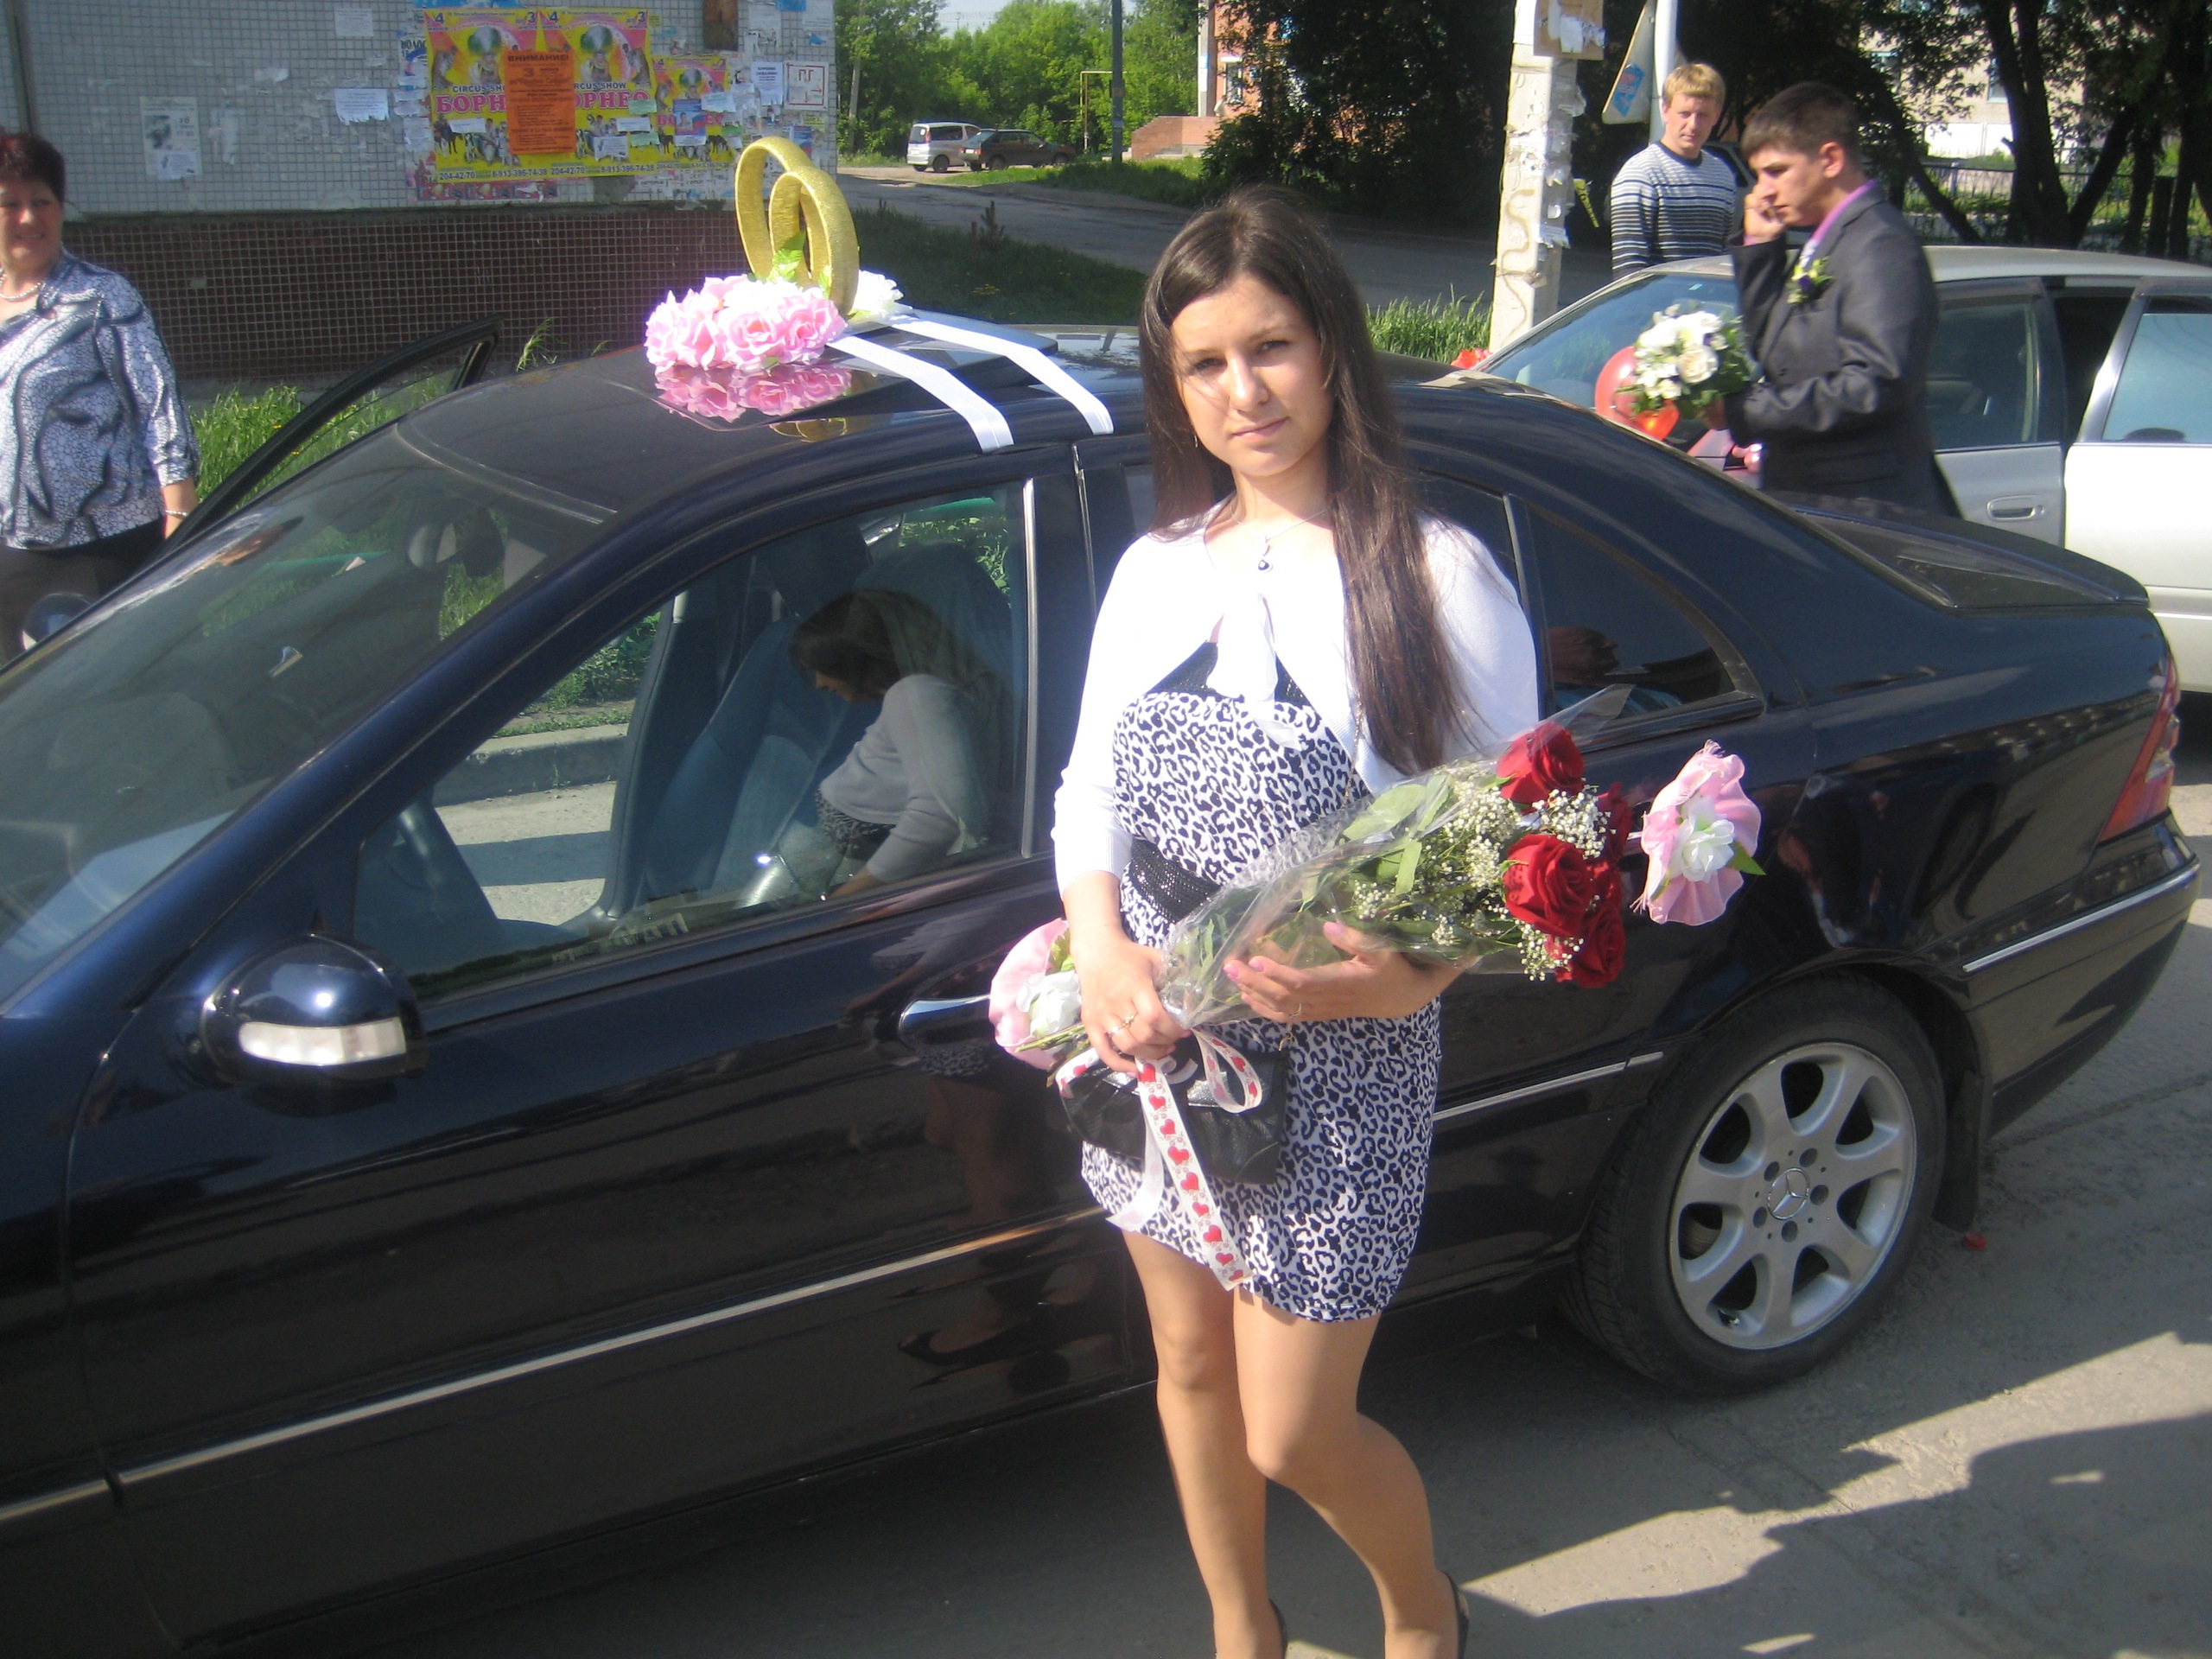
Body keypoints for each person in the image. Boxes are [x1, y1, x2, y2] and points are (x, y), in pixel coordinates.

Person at [1054, 186, 1537, 1659]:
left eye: (1269, 347)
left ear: (1331, 347)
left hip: (1347, 1069)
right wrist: (1105, 948)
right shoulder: (1155, 572)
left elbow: (1506, 848)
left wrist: (1400, 987)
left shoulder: (1435, 576)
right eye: (1204, 364)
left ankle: (1423, 1616)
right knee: (1188, 1361)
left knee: (1294, 1427)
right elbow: (1086, 799)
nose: (1242, 392)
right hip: (1162, 1058)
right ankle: (1241, 1631)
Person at [0, 132, 199, 660]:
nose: (28, 217)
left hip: (106, 550)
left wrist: (180, 524)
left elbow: (160, 406)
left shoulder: (99, 297)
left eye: (42, 201)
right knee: (29, 695)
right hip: (16, 553)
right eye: (9, 203)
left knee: (131, 685)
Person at [1724, 83, 1953, 513]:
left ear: (1830, 159)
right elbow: (1772, 353)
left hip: (1865, 508)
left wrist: (1748, 412)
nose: (1762, 192)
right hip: (1812, 499)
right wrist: (1761, 249)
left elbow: (1875, 384)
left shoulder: (1880, 243)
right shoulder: (1828, 239)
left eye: (1776, 171)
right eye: (1759, 175)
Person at [791, 587, 1002, 899]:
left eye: (827, 668)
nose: (820, 683)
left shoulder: (917, 695)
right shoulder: (918, 696)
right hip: (827, 872)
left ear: (857, 658)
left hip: (837, 885)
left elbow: (939, 818)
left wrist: (846, 903)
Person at [1610, 61, 1738, 276]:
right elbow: (1629, 268)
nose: (1693, 125)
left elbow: (1722, 257)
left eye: (1703, 115)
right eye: (1684, 113)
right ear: (1665, 110)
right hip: (1656, 297)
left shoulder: (1722, 176)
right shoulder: (1641, 173)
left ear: (1717, 115)